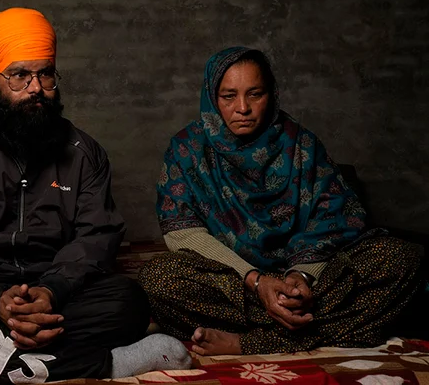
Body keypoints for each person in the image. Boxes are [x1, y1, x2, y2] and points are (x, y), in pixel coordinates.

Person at [0, 8, 190, 384]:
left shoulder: (85, 154)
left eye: (45, 73)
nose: (36, 87)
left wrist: (50, 291)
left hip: (58, 299)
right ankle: (107, 365)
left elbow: (96, 238)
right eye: (19, 75)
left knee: (127, 302)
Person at [139, 46, 422, 356]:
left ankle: (247, 340)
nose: (242, 108)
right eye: (228, 96)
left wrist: (299, 277)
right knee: (159, 278)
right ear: (211, 97)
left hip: (309, 281)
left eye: (255, 94)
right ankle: (309, 326)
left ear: (271, 94)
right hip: (235, 282)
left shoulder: (302, 144)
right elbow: (183, 232)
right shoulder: (188, 149)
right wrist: (258, 283)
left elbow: (337, 217)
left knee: (402, 257)